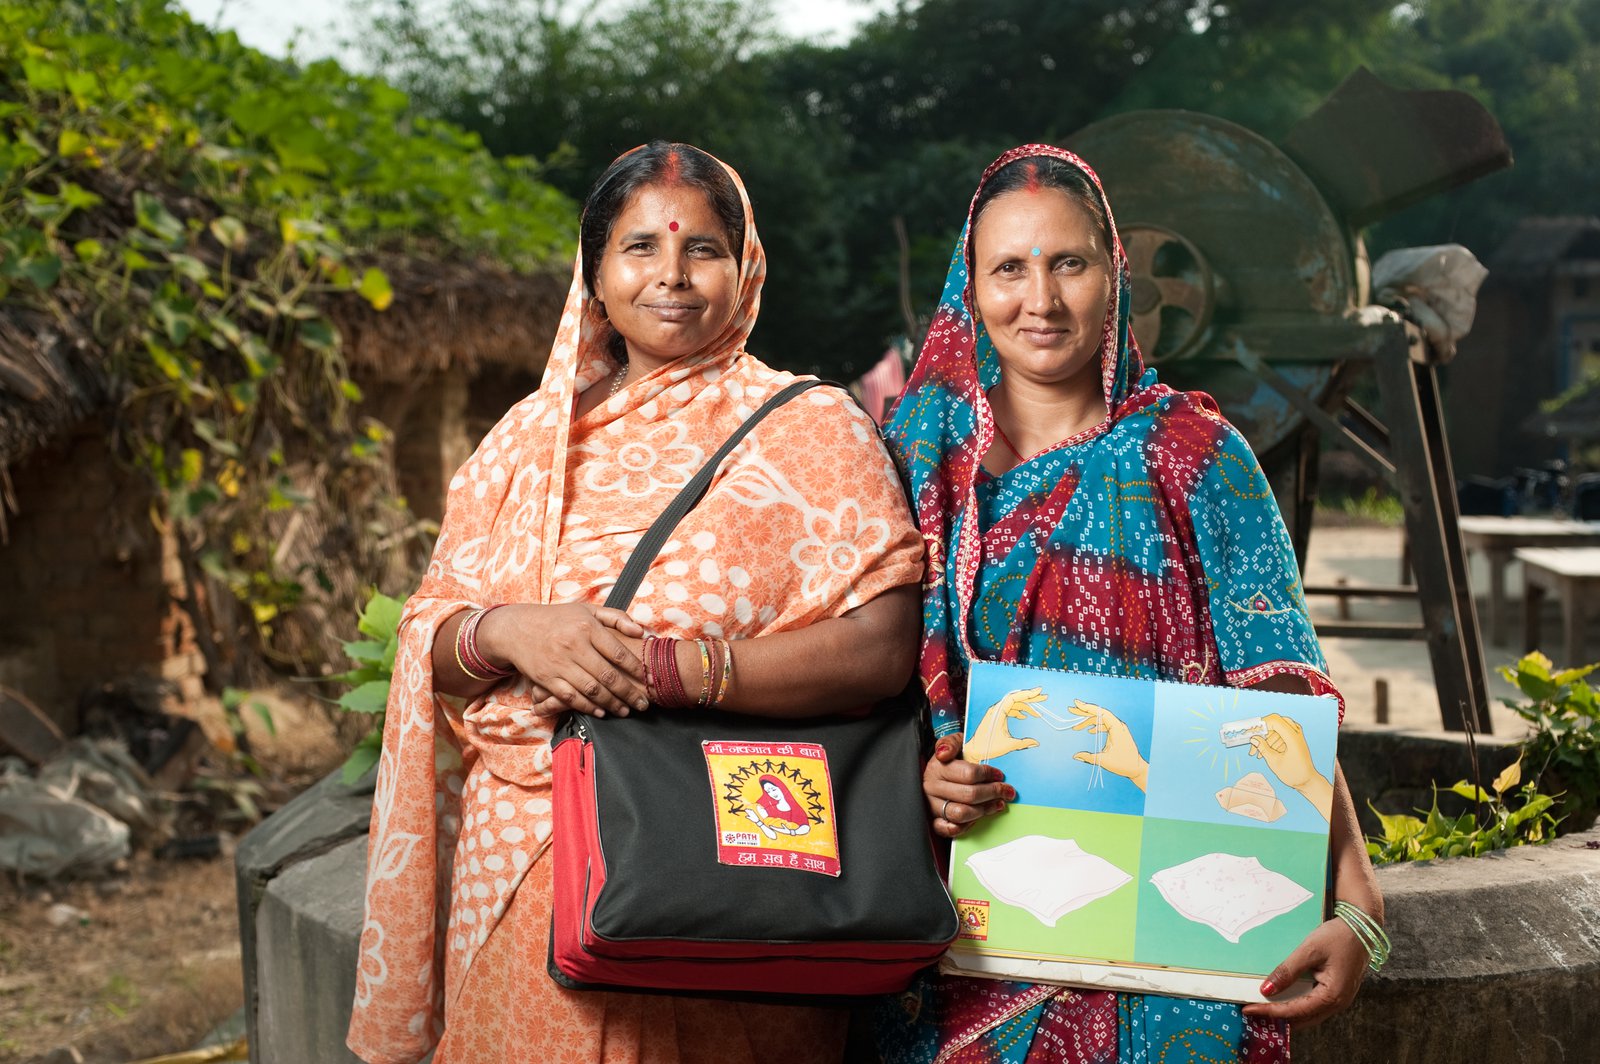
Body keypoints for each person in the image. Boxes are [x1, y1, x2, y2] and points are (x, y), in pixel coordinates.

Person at [346, 141, 924, 1064]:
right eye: (640, 248)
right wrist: (508, 632)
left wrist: (665, 670)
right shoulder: (527, 441)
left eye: (702, 248)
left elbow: (882, 646)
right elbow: (433, 638)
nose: (673, 276)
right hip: (528, 858)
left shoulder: (812, 427)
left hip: (729, 860)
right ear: (597, 275)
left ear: (746, 268)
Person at [877, 144, 1384, 1062]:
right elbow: (867, 678)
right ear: (970, 283)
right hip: (966, 930)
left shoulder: (1195, 455)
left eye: (1068, 263)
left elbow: (1281, 690)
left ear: (1116, 274)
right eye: (1009, 269)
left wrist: (1360, 901)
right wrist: (919, 775)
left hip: (1174, 951)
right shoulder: (914, 457)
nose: (1041, 298)